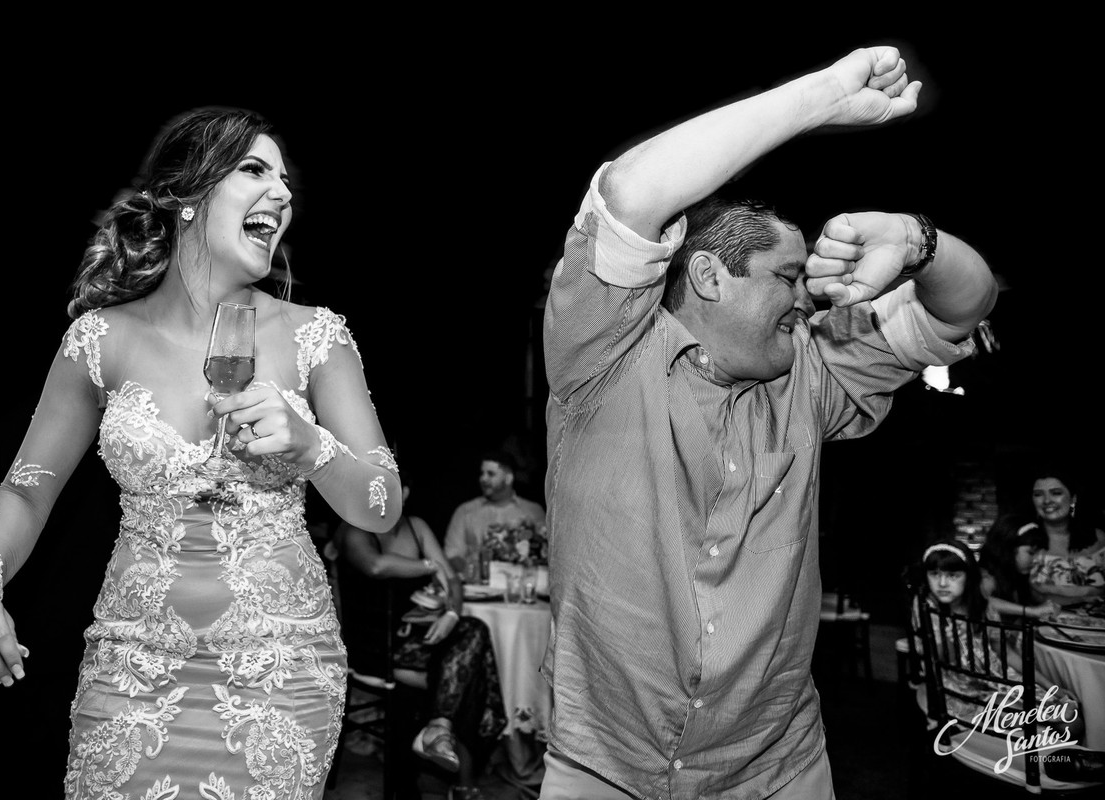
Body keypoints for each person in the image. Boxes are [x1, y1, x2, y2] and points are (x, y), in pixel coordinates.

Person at [540, 46, 999, 799]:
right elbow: (631, 188)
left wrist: (916, 242)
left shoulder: (812, 370)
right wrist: (822, 99)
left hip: (774, 768)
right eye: (786, 277)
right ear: (710, 276)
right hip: (604, 767)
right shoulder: (605, 357)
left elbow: (965, 310)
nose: (804, 298)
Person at [0, 106, 402, 798]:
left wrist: (311, 448)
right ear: (186, 198)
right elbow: (27, 490)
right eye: (253, 170)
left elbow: (383, 508)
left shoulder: (317, 337)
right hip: (131, 669)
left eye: (285, 180)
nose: (282, 192)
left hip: (281, 672)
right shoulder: (100, 340)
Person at [334, 470, 506, 800]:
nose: (377, 497)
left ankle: (438, 731)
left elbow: (453, 582)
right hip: (380, 649)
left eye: (386, 490)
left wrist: (452, 614)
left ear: (406, 492)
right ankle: (462, 779)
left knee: (472, 632)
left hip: (424, 638)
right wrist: (430, 566)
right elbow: (376, 566)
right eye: (371, 490)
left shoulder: (416, 526)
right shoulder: (353, 528)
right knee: (469, 670)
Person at [916, 539, 1082, 738]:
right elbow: (940, 660)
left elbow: (1006, 654)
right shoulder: (927, 607)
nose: (942, 583)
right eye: (935, 574)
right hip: (957, 695)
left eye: (953, 575)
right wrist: (951, 638)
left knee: (1072, 720)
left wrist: (1051, 687)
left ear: (968, 577)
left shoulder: (980, 605)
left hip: (996, 681)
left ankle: (1061, 763)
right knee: (1059, 724)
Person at [443, 450, 546, 579]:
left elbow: (546, 554)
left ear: (508, 478)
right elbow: (452, 554)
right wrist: (474, 574)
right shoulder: (465, 511)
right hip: (477, 590)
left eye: (490, 474)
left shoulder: (533, 511)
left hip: (518, 589)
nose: (483, 478)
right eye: (482, 473)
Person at [1024, 468, 1105, 604]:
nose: (1047, 501)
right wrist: (1084, 594)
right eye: (1038, 494)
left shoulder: (1099, 538)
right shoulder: (1024, 540)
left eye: (1056, 493)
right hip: (1038, 622)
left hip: (1094, 623)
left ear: (1073, 498)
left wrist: (1050, 591)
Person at [979, 514, 1061, 624]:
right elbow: (982, 601)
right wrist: (1031, 611)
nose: (1037, 560)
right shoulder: (986, 576)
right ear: (1008, 548)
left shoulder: (1015, 575)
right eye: (1031, 553)